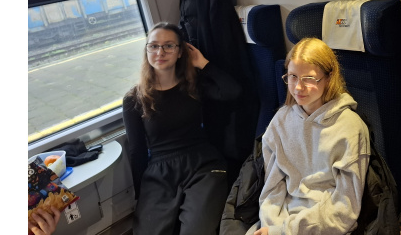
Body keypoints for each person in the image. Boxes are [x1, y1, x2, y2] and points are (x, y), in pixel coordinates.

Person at [123, 22, 242, 235]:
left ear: (180, 52)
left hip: (203, 164)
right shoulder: (134, 98)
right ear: (147, 50)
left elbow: (232, 91)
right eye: (153, 46)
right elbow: (137, 150)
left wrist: (203, 63)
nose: (160, 52)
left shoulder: (193, 85)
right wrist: (143, 196)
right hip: (159, 171)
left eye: (169, 46)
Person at [247, 37, 370, 235]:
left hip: (324, 227)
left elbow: (345, 210)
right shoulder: (281, 120)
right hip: (277, 224)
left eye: (309, 79)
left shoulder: (350, 128)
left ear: (329, 78)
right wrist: (273, 227)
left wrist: (285, 231)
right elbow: (271, 189)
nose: (298, 87)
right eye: (293, 76)